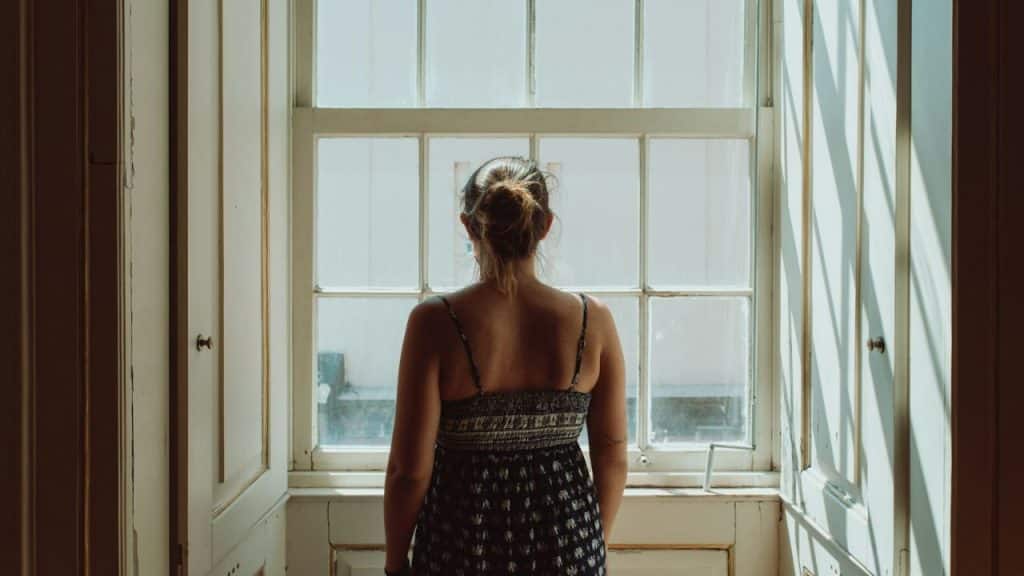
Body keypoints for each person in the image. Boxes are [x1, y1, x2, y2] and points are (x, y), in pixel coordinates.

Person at [383, 157, 628, 575]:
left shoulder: (435, 322)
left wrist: (394, 563)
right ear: (545, 225)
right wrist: (590, 542)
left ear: (469, 225)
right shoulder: (593, 320)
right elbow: (612, 454)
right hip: (568, 545)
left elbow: (409, 471)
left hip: (459, 546)